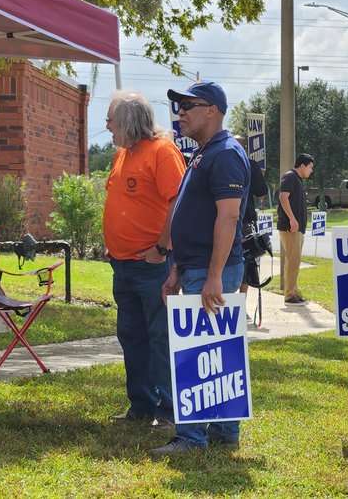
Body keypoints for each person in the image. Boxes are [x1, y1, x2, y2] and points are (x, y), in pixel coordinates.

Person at [152, 81, 250, 455]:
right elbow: (189, 216)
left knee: (198, 356)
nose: (181, 113)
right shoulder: (202, 153)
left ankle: (192, 438)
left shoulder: (225, 154)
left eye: (188, 106)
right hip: (195, 268)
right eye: (178, 106)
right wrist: (176, 268)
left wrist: (212, 277)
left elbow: (227, 219)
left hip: (216, 271)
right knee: (218, 354)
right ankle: (224, 433)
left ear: (213, 110)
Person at [102, 90, 185, 427]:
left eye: (111, 120)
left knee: (160, 338)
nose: (107, 126)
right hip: (122, 265)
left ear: (128, 122)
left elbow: (177, 202)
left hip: (152, 266)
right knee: (132, 336)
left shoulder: (162, 152)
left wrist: (163, 248)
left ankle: (168, 411)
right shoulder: (122, 155)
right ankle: (142, 406)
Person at [233, 135, 268, 306]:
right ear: (245, 148)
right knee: (247, 261)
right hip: (244, 221)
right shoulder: (250, 165)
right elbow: (261, 193)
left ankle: (226, 301)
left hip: (219, 222)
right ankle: (241, 304)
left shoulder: (218, 162)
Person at [277, 153, 314, 305]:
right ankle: (290, 295)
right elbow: (283, 197)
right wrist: (292, 219)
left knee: (294, 260)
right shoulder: (290, 176)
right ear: (303, 165)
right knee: (293, 260)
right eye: (310, 167)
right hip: (289, 227)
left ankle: (293, 291)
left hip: (297, 228)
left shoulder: (297, 180)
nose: (311, 171)